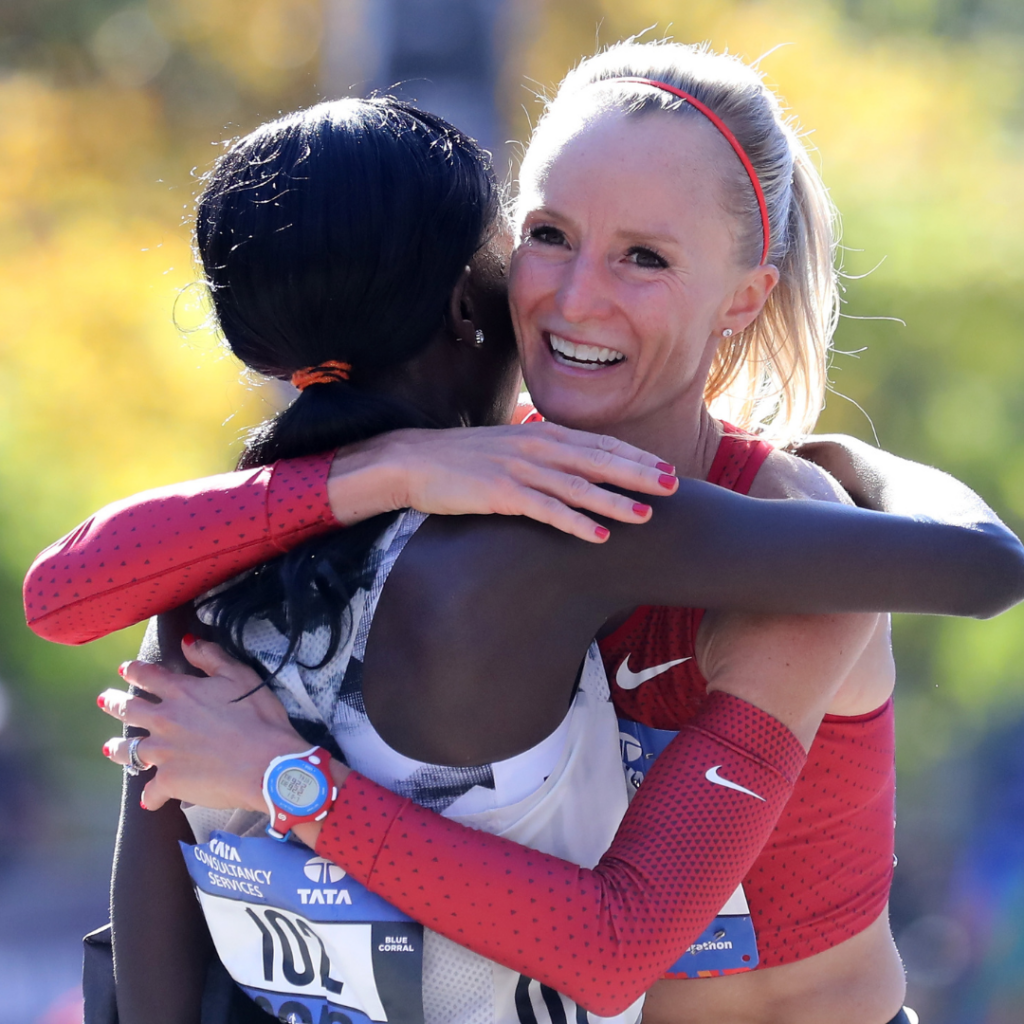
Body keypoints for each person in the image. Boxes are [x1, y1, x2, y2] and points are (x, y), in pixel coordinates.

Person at [29, 47, 1024, 1024]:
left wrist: (861, 468)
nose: (578, 296)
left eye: (645, 256)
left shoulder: (799, 541)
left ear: (743, 297)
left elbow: (986, 568)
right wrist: (381, 470)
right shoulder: (463, 492)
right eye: (549, 233)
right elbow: (69, 596)